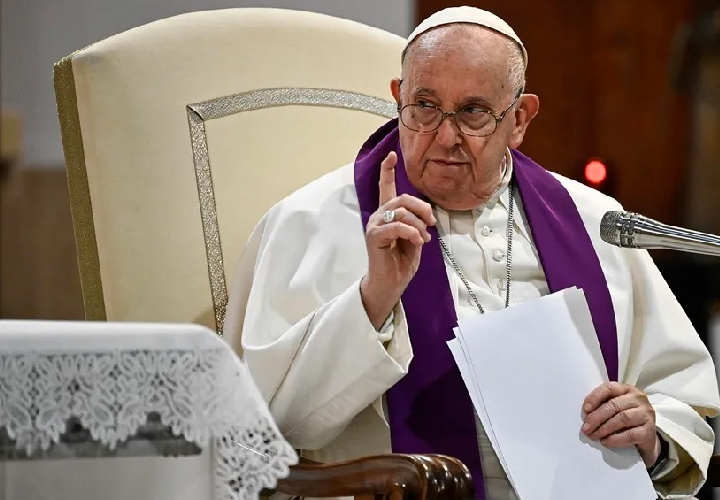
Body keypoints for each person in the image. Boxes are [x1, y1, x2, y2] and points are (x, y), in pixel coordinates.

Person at [224, 6, 720, 500]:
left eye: (473, 111)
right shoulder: (309, 222)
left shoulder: (594, 222)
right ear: (397, 99)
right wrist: (372, 300)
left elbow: (681, 397)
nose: (445, 136)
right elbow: (263, 427)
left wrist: (651, 435)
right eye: (424, 106)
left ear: (520, 118)